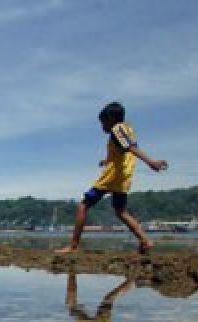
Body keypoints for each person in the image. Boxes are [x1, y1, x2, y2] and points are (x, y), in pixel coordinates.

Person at [56, 102, 167, 255]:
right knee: (121, 211)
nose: (102, 127)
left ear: (111, 118)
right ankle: (145, 241)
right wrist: (107, 160)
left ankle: (74, 246)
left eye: (103, 122)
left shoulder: (117, 129)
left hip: (113, 176)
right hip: (123, 177)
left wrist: (151, 162)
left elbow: (130, 147)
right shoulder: (128, 128)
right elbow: (123, 152)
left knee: (83, 205)